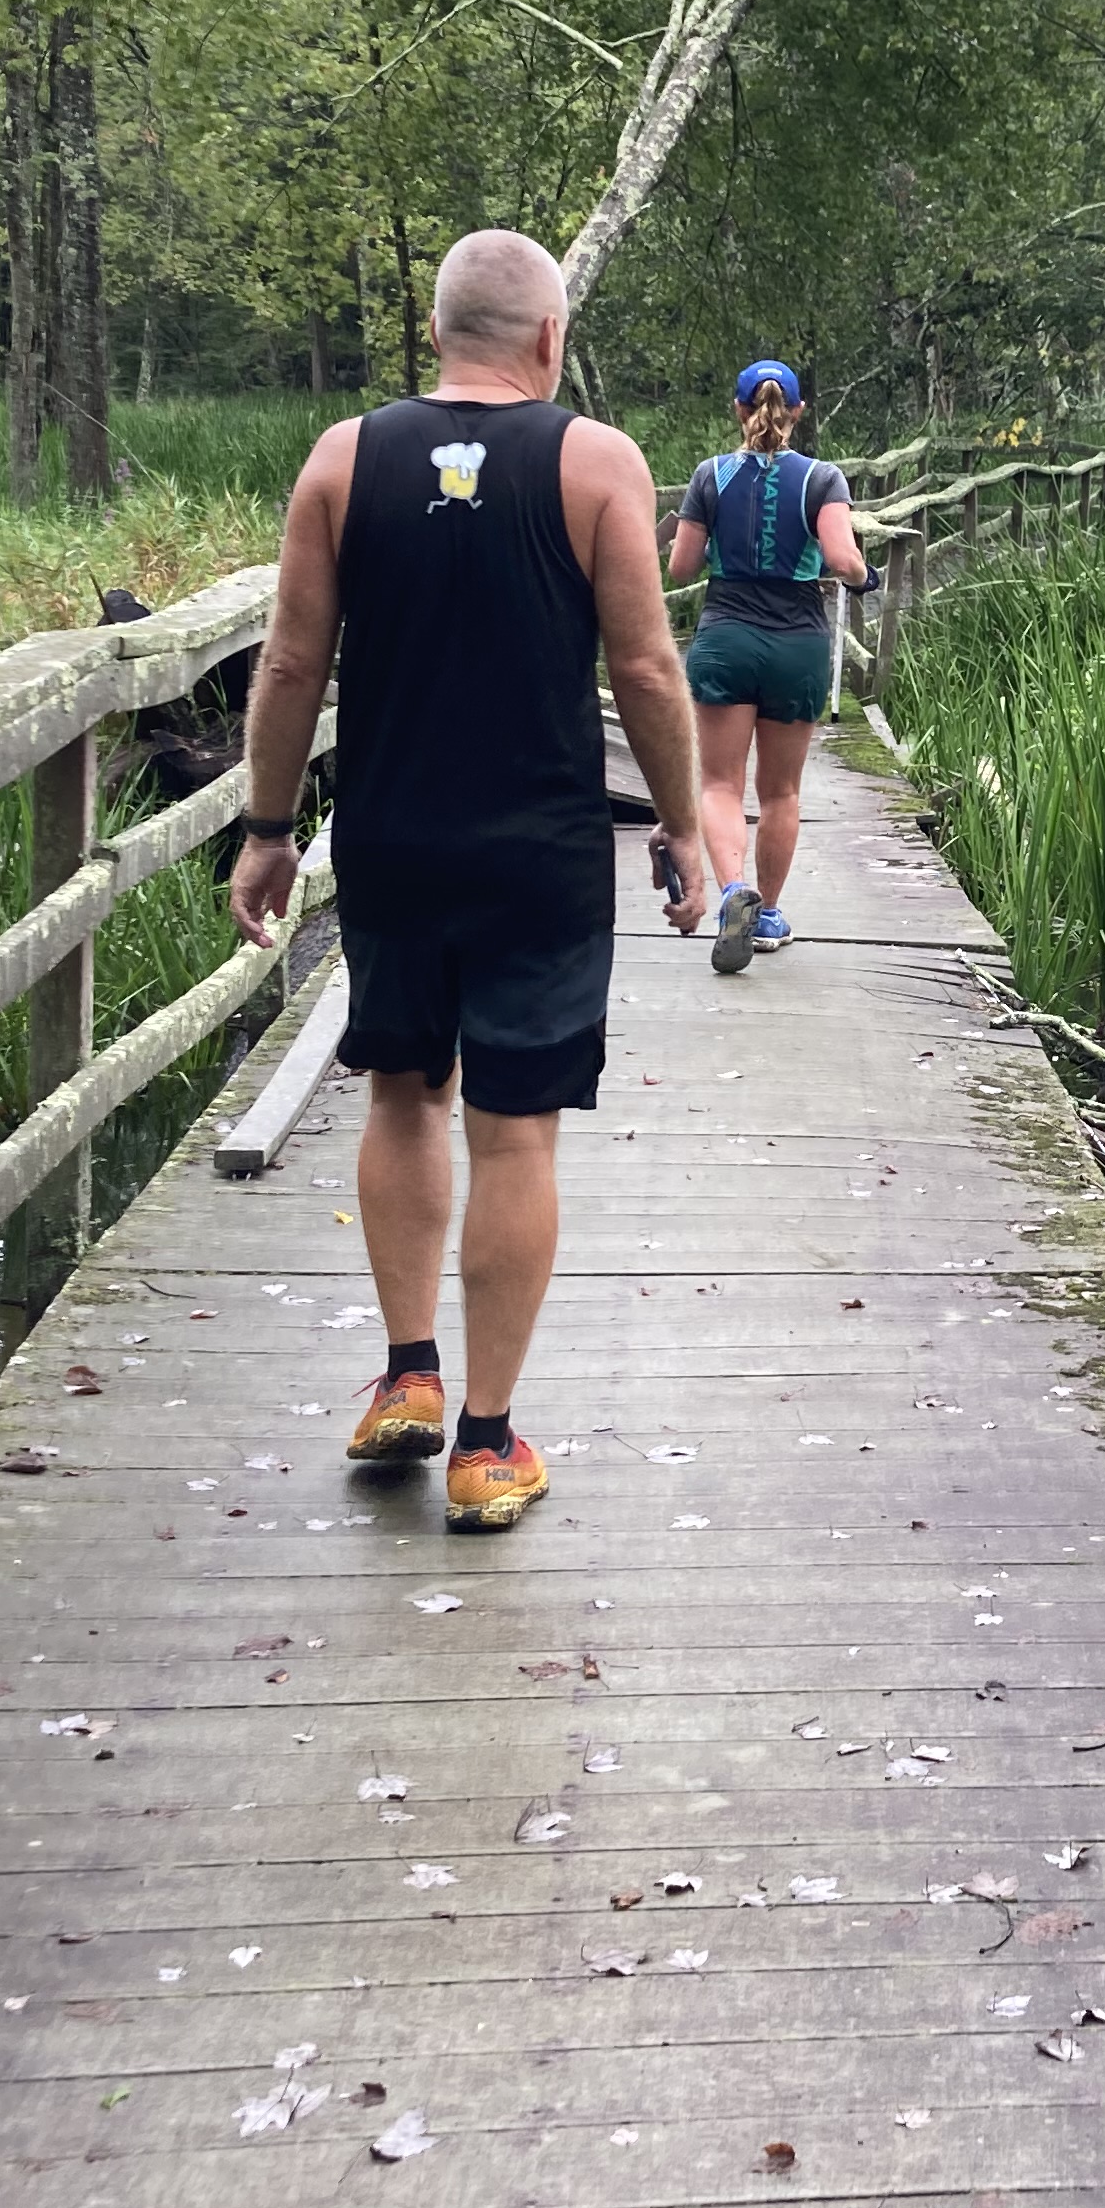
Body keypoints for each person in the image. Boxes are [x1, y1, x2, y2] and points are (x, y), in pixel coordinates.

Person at [230, 230, 712, 1534]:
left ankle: (406, 1374)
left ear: (438, 332)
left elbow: (287, 663)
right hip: (541, 851)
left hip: (390, 835)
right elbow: (650, 673)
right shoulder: (596, 462)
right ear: (549, 341)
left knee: (401, 1091)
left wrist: (268, 826)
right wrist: (682, 828)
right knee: (516, 1130)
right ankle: (488, 1444)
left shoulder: (346, 457)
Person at [667, 359, 869, 974]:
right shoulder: (822, 478)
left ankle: (733, 891)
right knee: (780, 790)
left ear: (737, 409)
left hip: (727, 636)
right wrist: (866, 576)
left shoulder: (711, 475)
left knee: (720, 784)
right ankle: (770, 912)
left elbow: (679, 568)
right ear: (798, 412)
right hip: (798, 644)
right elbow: (843, 559)